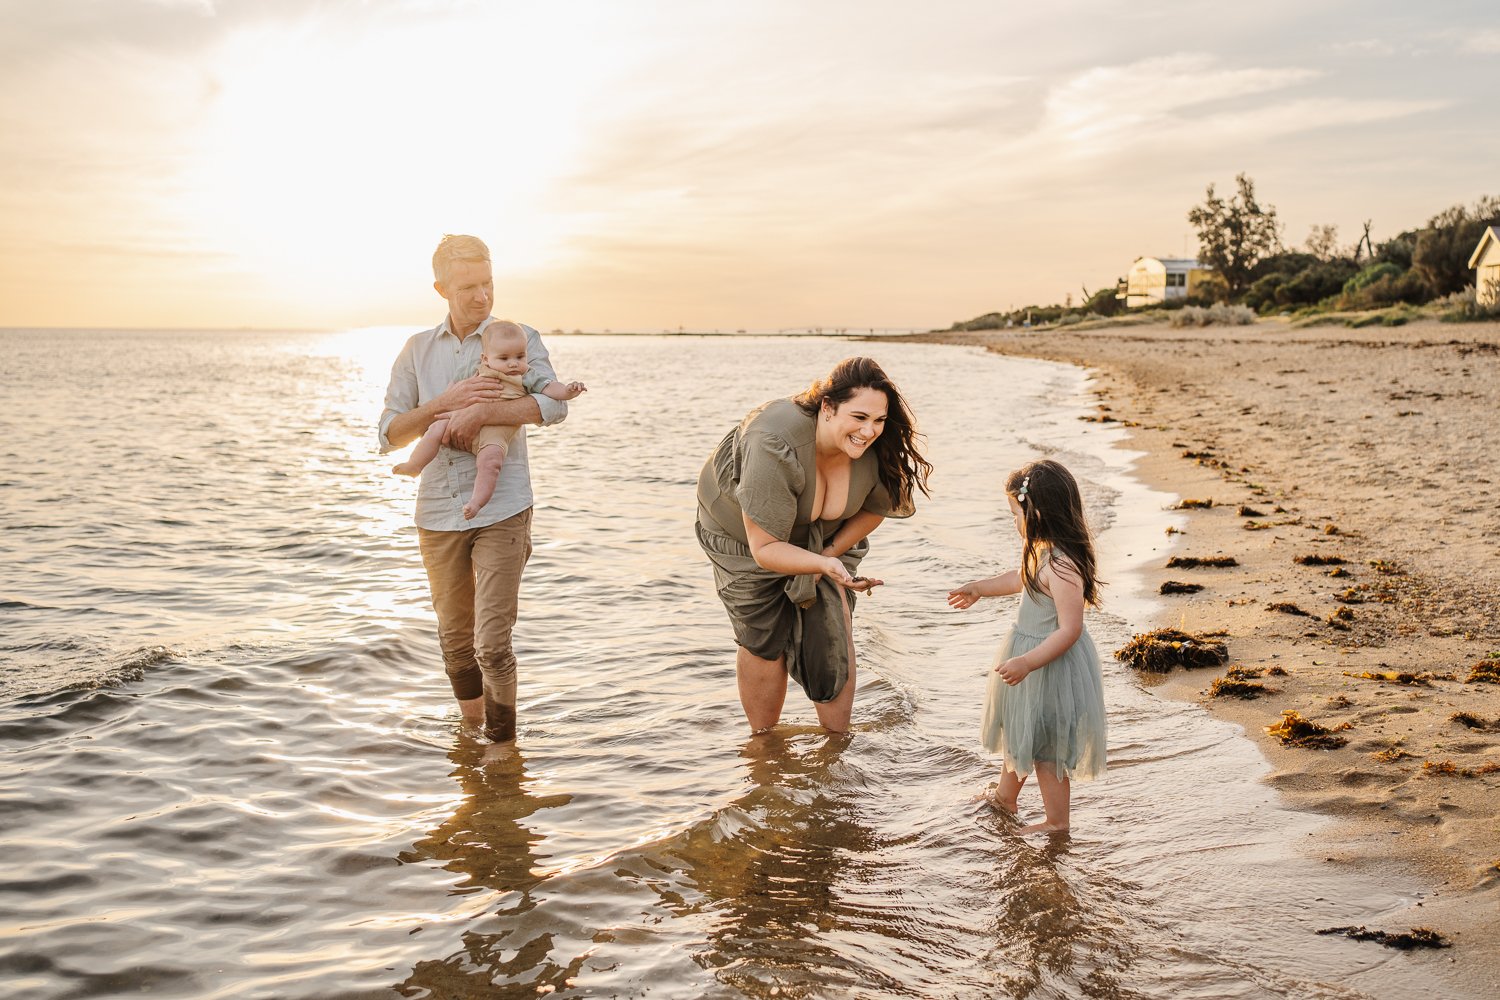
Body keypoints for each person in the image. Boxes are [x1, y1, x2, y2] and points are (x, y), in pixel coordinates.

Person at [378, 234, 569, 743]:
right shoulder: (416, 350)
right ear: (442, 288)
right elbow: (390, 433)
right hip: (437, 509)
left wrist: (485, 411)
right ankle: (471, 734)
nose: (481, 296)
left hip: (503, 506)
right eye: (468, 287)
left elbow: (551, 406)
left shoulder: (518, 336)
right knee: (456, 643)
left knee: (492, 643)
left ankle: (503, 749)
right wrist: (447, 402)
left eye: (487, 283)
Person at [696, 356, 932, 734]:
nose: (869, 431)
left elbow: (876, 509)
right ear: (827, 406)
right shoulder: (772, 441)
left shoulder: (876, 446)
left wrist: (829, 556)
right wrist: (822, 566)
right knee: (763, 633)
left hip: (826, 536)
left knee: (833, 624)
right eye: (858, 417)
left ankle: (838, 745)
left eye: (879, 420)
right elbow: (765, 549)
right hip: (743, 537)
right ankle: (764, 749)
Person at [947, 459, 1107, 834]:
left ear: (1036, 512)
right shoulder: (1041, 552)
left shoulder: (1064, 565)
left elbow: (1070, 630)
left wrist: (1028, 662)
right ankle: (1005, 797)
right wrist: (979, 588)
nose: (1014, 523)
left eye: (1015, 514)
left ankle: (1056, 822)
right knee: (1021, 731)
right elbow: (1020, 579)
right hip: (1030, 661)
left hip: (1050, 666)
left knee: (1047, 749)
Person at [394, 319, 587, 520]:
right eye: (504, 358)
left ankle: (476, 502)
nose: (513, 363)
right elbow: (451, 392)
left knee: (491, 462)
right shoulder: (474, 369)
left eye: (520, 356)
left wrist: (567, 391)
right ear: (485, 359)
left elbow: (549, 388)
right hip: (461, 416)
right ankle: (415, 464)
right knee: (435, 429)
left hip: (496, 431)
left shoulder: (526, 375)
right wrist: (447, 405)